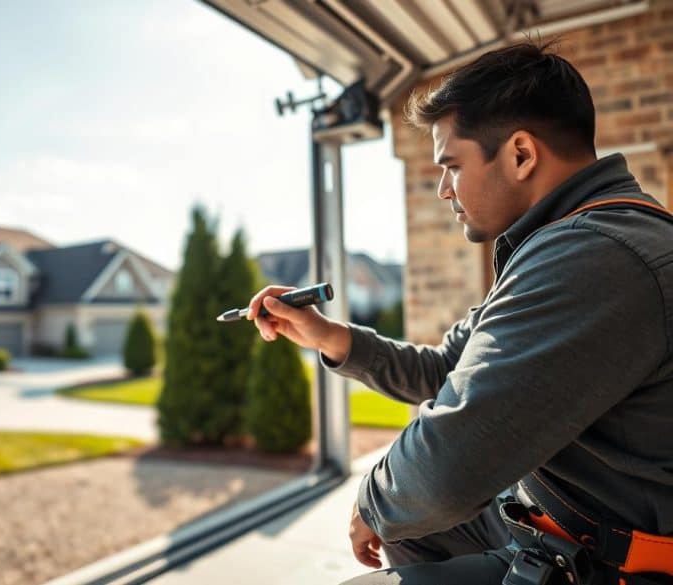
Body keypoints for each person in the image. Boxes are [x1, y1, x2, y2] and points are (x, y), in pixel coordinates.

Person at [248, 41, 673, 585]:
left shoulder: (597, 257)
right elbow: (448, 367)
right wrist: (329, 336)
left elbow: (453, 459)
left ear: (521, 154)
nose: (445, 189)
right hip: (553, 520)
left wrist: (374, 499)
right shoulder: (559, 243)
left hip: (610, 561)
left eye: (452, 165)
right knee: (414, 528)